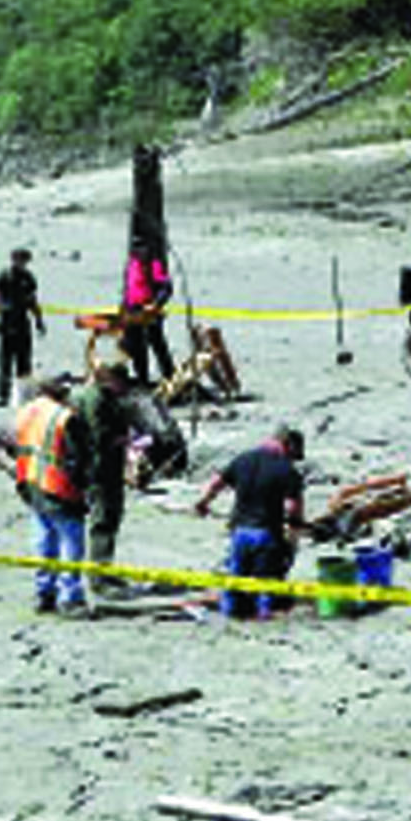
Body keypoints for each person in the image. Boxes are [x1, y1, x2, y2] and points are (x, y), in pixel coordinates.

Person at [194, 427, 308, 620]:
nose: (292, 460)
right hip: (267, 534)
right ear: (289, 446)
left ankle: (230, 615)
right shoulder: (287, 470)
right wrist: (296, 529)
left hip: (240, 532)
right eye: (294, 455)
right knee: (266, 586)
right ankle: (263, 619)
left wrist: (203, 504)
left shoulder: (243, 459)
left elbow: (216, 484)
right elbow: (293, 507)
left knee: (235, 582)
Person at [2, 374, 92, 617]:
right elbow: (80, 458)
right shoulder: (65, 418)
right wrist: (87, 486)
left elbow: (9, 445)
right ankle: (70, 597)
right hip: (60, 488)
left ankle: (44, 593)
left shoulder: (25, 412)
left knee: (43, 541)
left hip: (31, 485)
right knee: (71, 545)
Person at [69, 363, 135, 593]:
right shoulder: (96, 400)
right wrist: (122, 440)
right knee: (103, 519)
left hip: (107, 468)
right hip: (100, 469)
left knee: (110, 517)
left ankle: (104, 569)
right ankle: (98, 577)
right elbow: (98, 437)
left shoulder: (100, 397)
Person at [0, 246, 45, 407]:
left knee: (24, 362)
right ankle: (2, 395)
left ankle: (23, 396)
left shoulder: (28, 278)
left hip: (22, 322)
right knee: (5, 362)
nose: (22, 263)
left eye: (25, 260)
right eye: (20, 259)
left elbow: (33, 301)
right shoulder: (4, 277)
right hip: (7, 322)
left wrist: (39, 320)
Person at [120, 240, 176, 387]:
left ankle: (169, 374)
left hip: (149, 311)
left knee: (157, 342)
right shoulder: (131, 265)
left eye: (143, 249)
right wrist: (124, 310)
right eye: (138, 249)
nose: (141, 253)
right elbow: (128, 290)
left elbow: (167, 287)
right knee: (137, 347)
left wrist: (156, 304)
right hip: (133, 311)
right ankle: (142, 379)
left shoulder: (154, 266)